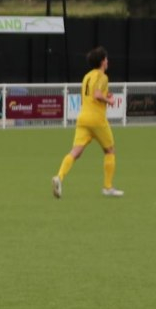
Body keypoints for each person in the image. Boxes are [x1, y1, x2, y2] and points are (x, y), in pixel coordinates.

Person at [53, 46, 121, 199]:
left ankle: (59, 177)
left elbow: (90, 96)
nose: (107, 61)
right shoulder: (103, 76)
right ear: (102, 61)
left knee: (75, 152)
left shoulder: (87, 77)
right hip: (97, 119)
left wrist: (105, 96)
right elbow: (97, 95)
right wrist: (109, 100)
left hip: (83, 118)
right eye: (106, 59)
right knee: (110, 151)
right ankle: (108, 187)